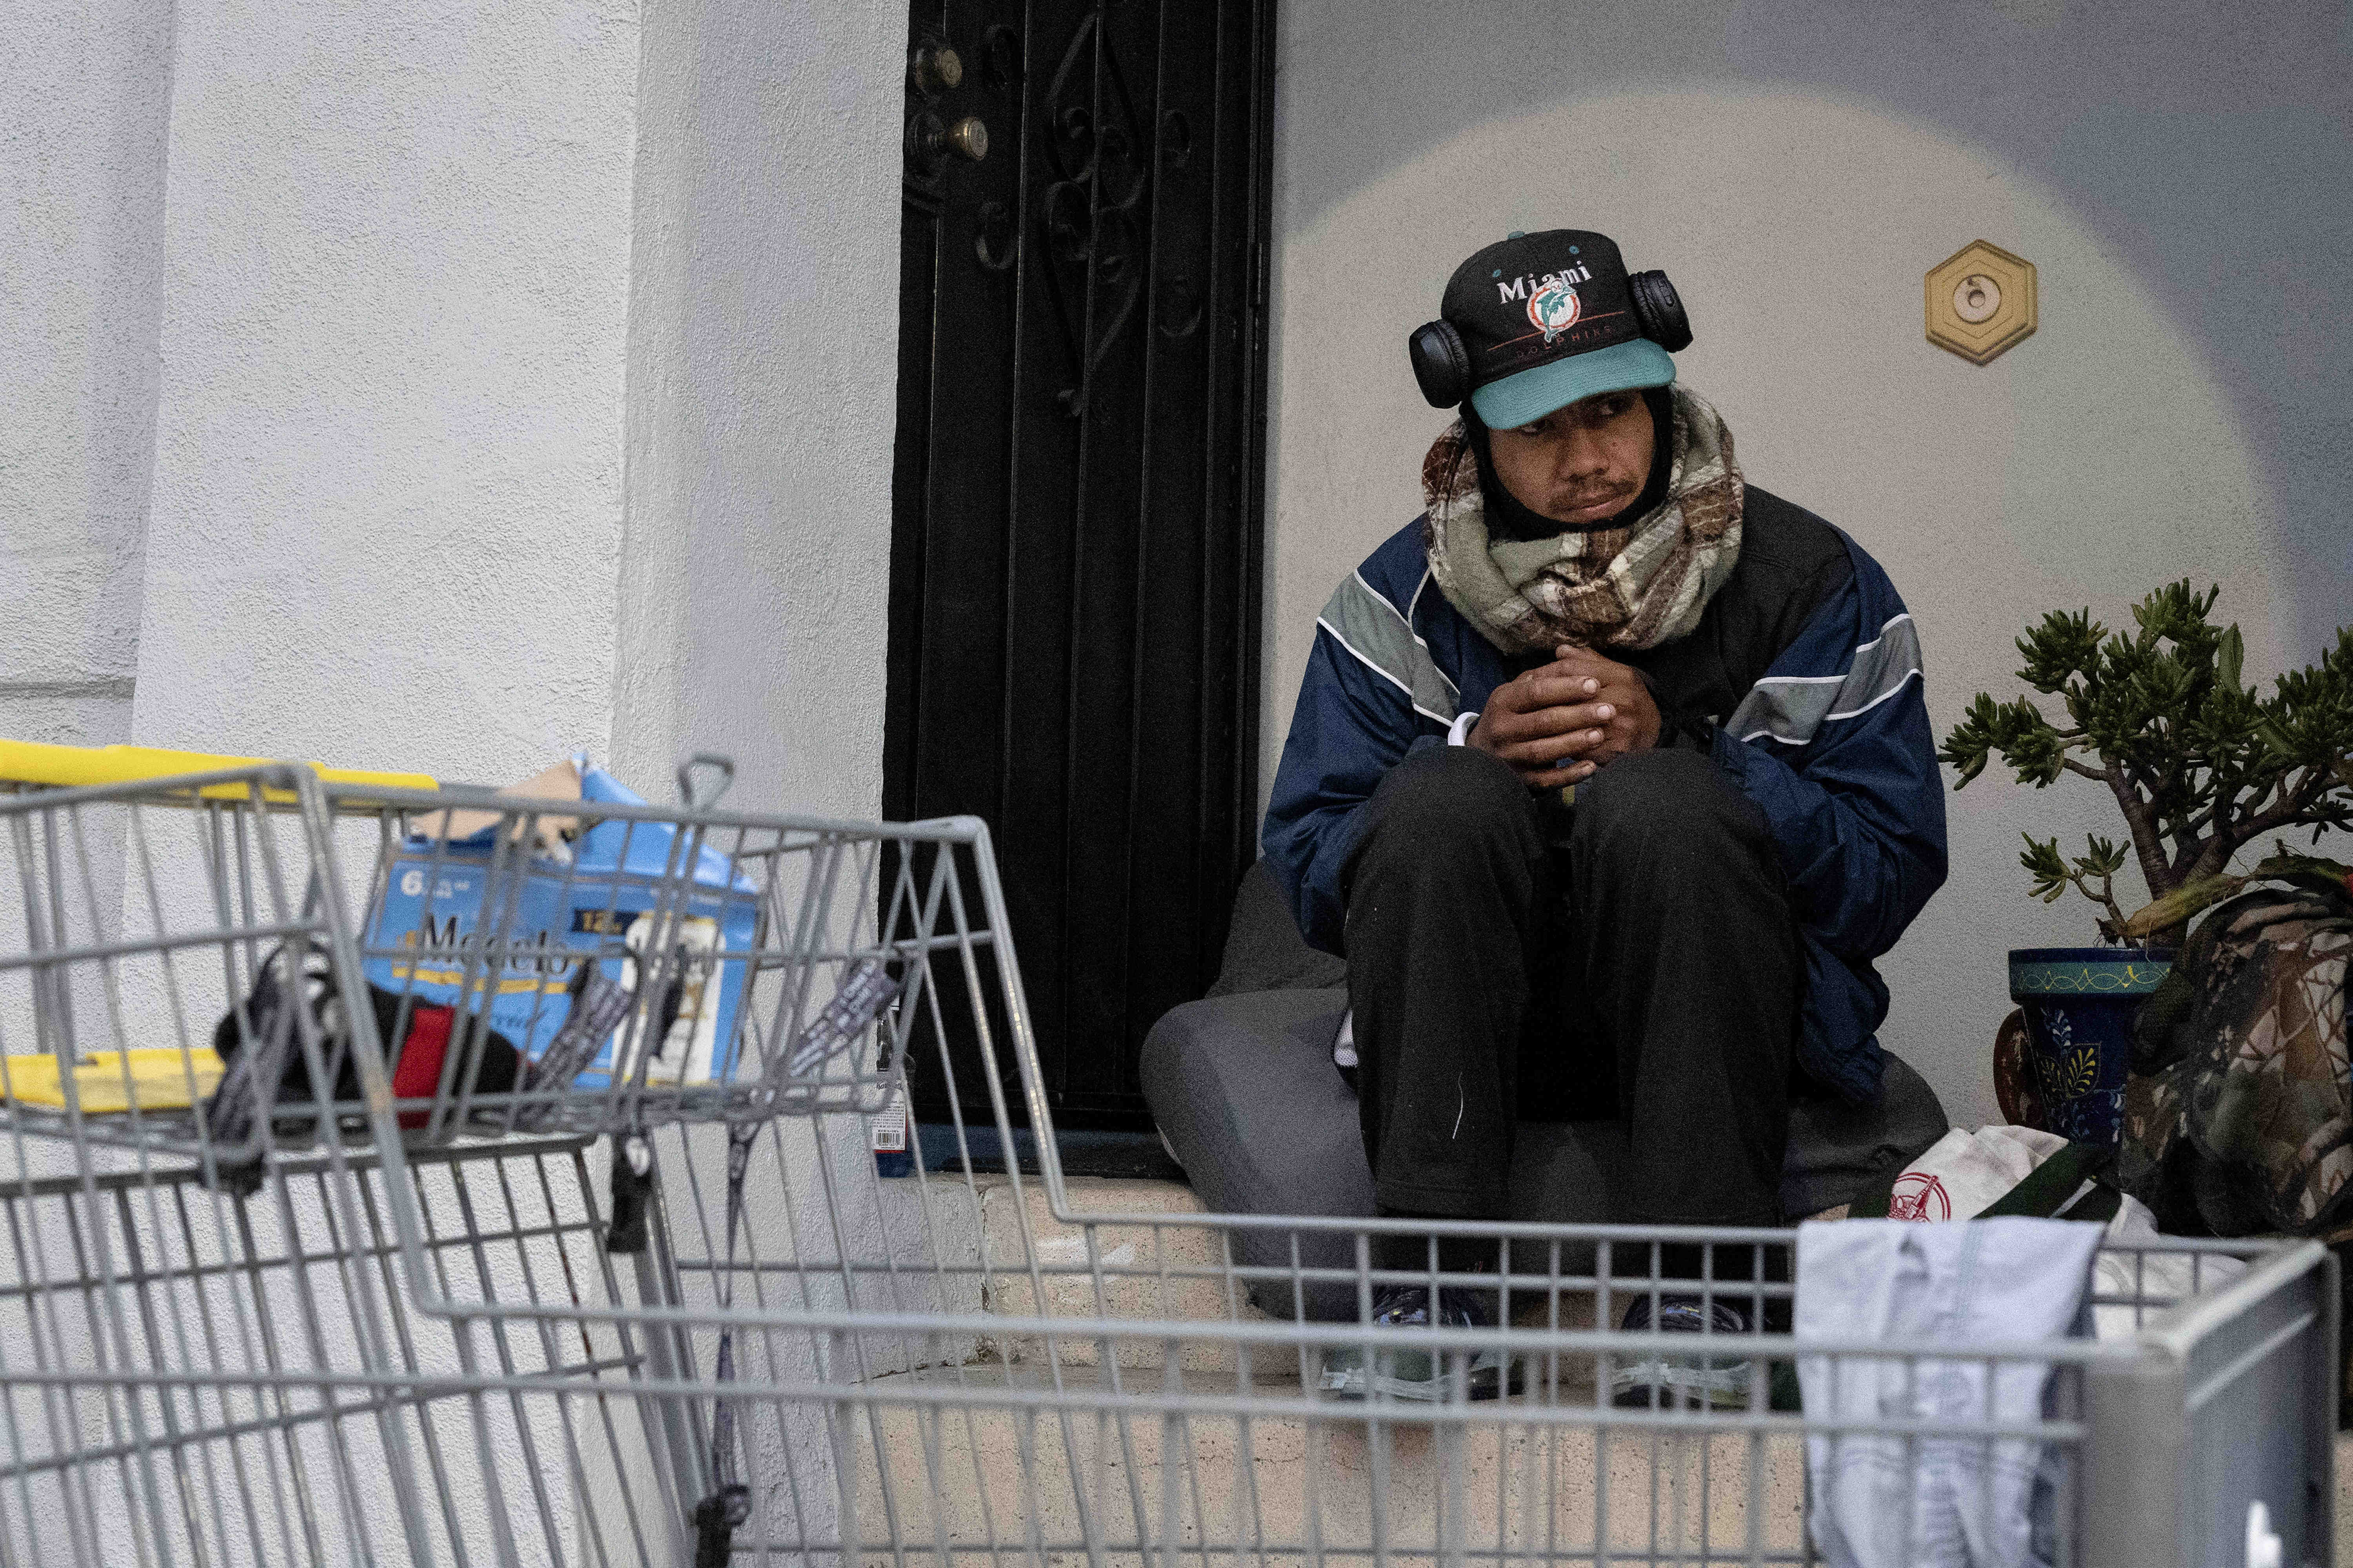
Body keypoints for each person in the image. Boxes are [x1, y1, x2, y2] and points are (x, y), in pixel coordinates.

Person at [1261, 229, 1948, 1404]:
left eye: (1615, 412)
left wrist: (1698, 756)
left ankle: (1704, 1288)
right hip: (1475, 1038)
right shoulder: (1401, 600)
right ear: (1474, 431)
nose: (1588, 457)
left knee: (1664, 801)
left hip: (1727, 1032)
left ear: (1663, 397)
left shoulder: (1814, 582)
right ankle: (1430, 1288)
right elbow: (1313, 870)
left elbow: (1887, 874)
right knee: (1440, 797)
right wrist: (1474, 748)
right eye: (1540, 430)